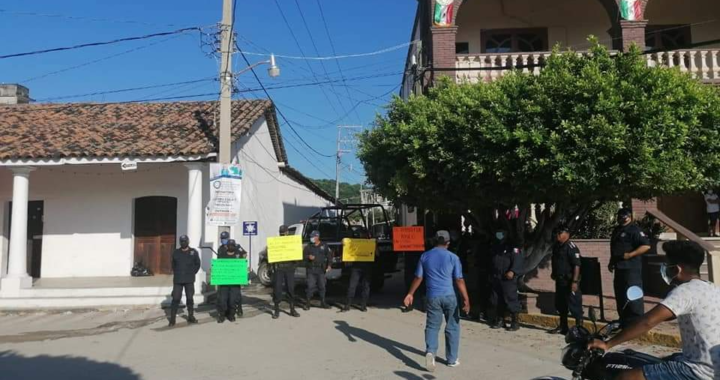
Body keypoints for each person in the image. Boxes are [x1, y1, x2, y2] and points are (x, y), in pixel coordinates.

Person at [589, 240, 720, 380]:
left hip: (699, 370)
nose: (664, 269)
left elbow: (647, 322)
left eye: (667, 265)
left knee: (625, 377)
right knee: (659, 361)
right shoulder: (711, 288)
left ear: (677, 269)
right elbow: (664, 315)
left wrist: (607, 344)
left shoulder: (684, 291)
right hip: (714, 365)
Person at [404, 230, 470, 372]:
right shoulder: (453, 257)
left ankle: (430, 352)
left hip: (433, 296)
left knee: (432, 326)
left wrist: (410, 293)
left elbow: (418, 277)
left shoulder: (425, 256)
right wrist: (466, 298)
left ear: (434, 241)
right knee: (452, 326)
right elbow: (459, 279)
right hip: (450, 296)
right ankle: (452, 359)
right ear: (448, 242)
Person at [609, 208, 651, 328]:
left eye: (624, 216)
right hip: (619, 267)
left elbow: (646, 245)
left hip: (631, 268)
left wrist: (630, 254)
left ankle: (636, 321)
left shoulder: (634, 230)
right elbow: (615, 248)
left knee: (633, 292)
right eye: (620, 216)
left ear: (629, 217)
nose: (621, 218)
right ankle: (624, 319)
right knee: (620, 294)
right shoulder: (617, 230)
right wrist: (611, 262)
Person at [549, 224, 583, 335]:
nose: (557, 235)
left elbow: (576, 265)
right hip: (560, 280)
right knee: (560, 304)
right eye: (556, 233)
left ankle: (579, 329)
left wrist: (574, 281)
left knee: (574, 305)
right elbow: (555, 261)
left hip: (569, 281)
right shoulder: (557, 246)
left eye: (559, 233)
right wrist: (554, 273)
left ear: (566, 234)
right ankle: (563, 327)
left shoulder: (571, 247)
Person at [489, 226, 523, 331]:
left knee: (511, 298)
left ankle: (515, 322)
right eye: (497, 233)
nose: (499, 235)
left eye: (501, 233)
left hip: (508, 277)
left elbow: (518, 260)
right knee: (496, 299)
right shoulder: (495, 246)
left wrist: (513, 271)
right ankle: (500, 319)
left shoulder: (512, 247)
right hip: (497, 276)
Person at [169, 235, 201, 327]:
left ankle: (191, 316)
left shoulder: (193, 252)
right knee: (175, 298)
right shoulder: (176, 252)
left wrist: (192, 272)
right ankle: (172, 319)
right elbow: (173, 265)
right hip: (178, 280)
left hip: (189, 279)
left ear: (188, 241)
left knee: (190, 298)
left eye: (185, 241)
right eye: (181, 241)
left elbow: (197, 264)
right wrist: (178, 273)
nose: (183, 243)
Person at [272, 225, 301, 319]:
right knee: (277, 289)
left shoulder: (292, 242)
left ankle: (292, 309)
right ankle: (276, 310)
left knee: (291, 288)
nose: (283, 233)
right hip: (279, 269)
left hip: (289, 269)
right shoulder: (275, 242)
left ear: (287, 232)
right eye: (282, 232)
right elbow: (271, 256)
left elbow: (296, 256)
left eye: (284, 232)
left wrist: (295, 265)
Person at [216, 239, 245, 323]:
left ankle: (231, 315)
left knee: (233, 300)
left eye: (233, 245)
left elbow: (242, 266)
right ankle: (222, 315)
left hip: (235, 283)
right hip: (224, 282)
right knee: (222, 300)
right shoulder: (222, 255)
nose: (231, 247)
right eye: (229, 246)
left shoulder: (238, 255)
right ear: (227, 247)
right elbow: (218, 267)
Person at [303, 230, 331, 310]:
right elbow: (303, 256)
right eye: (311, 237)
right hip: (311, 269)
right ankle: (307, 303)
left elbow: (329, 256)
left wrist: (329, 265)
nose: (311, 238)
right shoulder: (308, 246)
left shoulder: (324, 245)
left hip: (321, 270)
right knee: (310, 286)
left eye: (313, 237)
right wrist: (308, 257)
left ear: (317, 237)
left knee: (322, 286)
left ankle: (323, 302)